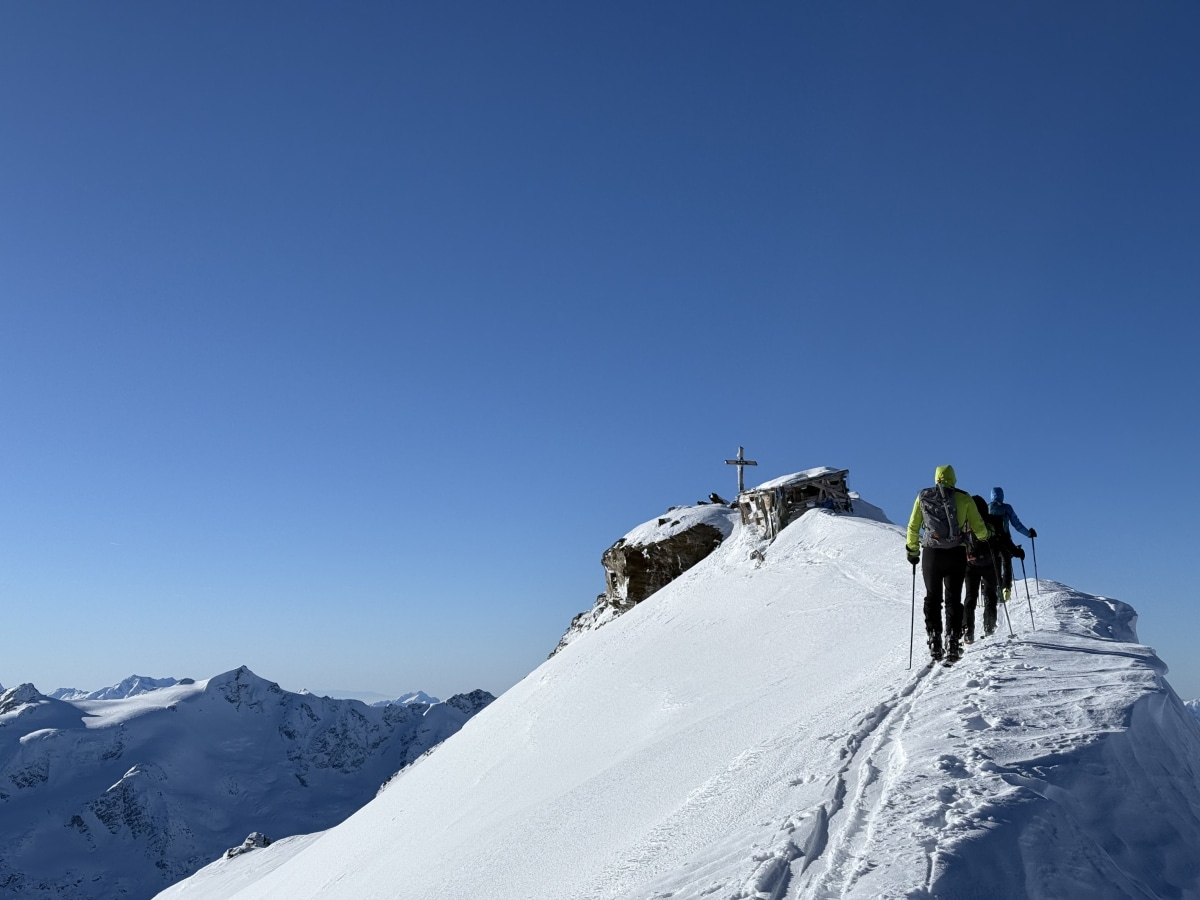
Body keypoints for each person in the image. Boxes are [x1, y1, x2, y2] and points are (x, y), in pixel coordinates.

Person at [906, 466, 989, 663]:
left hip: (932, 554)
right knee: (953, 598)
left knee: (933, 598)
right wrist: (984, 537)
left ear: (936, 478)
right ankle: (952, 640)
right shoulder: (964, 497)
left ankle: (934, 638)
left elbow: (913, 526)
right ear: (954, 479)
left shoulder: (923, 497)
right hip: (956, 553)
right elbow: (978, 527)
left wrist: (913, 551)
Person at [963, 495, 1021, 642]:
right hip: (990, 564)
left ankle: (968, 631)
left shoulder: (966, 522)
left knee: (970, 598)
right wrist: (1016, 552)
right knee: (991, 596)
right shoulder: (995, 521)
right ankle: (989, 627)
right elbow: (1004, 540)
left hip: (971, 566)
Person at [989, 487, 1036, 599]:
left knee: (995, 564)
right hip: (1005, 539)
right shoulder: (1006, 508)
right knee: (1007, 563)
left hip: (990, 541)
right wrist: (1029, 534)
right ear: (1002, 495)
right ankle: (1006, 588)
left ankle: (996, 587)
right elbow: (1017, 525)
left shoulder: (987, 507)